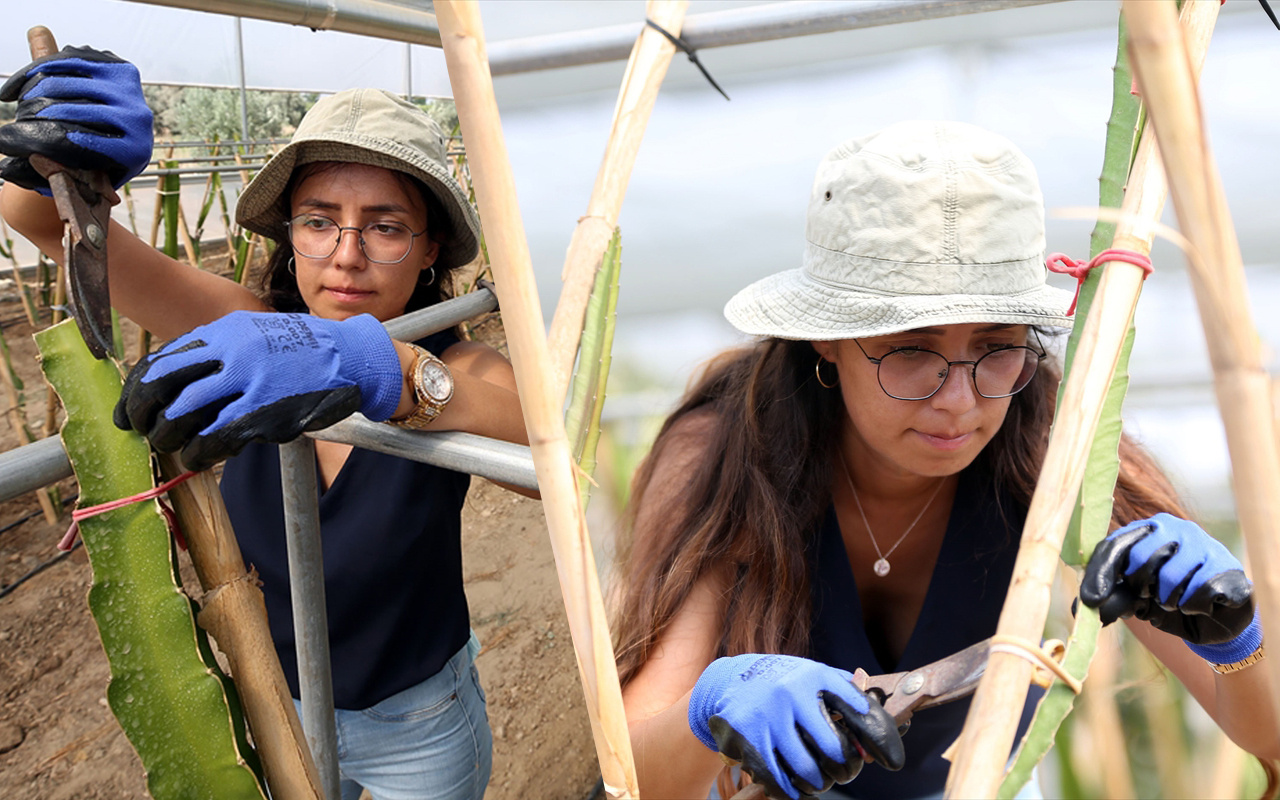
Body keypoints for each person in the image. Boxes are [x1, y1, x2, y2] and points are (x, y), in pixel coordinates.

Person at [610, 121, 1279, 800]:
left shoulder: (1057, 446)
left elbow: (1272, 741)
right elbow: (629, 774)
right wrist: (711, 707)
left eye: (997, 346)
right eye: (910, 349)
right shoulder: (726, 454)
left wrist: (1237, 641)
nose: (960, 402)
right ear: (828, 340)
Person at [0, 45, 529, 800]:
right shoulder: (250, 332)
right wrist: (68, 158)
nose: (345, 256)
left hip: (419, 725)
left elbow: (537, 440)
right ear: (290, 234)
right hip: (277, 709)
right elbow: (39, 222)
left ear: (430, 248)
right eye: (319, 221)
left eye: (384, 227)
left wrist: (385, 370)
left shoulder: (456, 360)